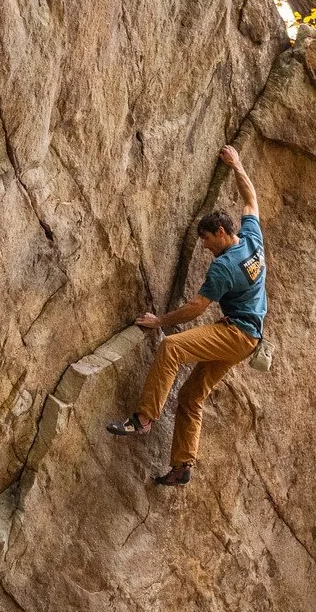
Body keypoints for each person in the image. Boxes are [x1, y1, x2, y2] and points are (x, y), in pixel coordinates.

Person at [107, 145, 266, 487]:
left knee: (172, 348)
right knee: (192, 397)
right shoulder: (252, 239)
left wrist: (159, 322)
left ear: (222, 233)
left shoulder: (224, 266)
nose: (205, 245)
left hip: (237, 334)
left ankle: (143, 419)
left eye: (207, 239)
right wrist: (237, 165)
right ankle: (182, 466)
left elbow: (196, 308)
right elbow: (251, 200)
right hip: (248, 339)